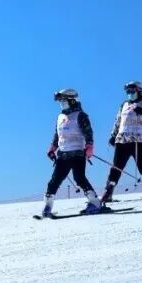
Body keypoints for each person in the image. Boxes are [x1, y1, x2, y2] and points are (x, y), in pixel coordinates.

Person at [42, 89, 105, 218]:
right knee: (54, 181)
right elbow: (57, 135)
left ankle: (95, 202)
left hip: (77, 153)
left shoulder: (80, 115)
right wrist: (52, 148)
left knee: (79, 178)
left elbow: (88, 133)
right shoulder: (60, 117)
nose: (61, 103)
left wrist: (89, 147)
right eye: (60, 101)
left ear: (72, 101)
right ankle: (47, 207)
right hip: (63, 154)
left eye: (63, 101)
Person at [103, 81, 142, 201]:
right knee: (116, 166)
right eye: (127, 91)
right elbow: (118, 120)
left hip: (137, 140)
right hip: (121, 140)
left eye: (132, 91)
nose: (129, 93)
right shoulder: (124, 104)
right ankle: (108, 191)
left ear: (139, 91)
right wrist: (113, 135)